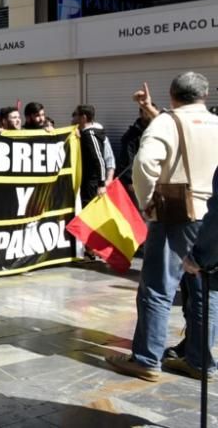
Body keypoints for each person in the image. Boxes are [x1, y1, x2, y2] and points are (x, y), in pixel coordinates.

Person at [106, 72, 218, 383]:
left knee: (157, 287)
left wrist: (147, 203)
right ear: (204, 96)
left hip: (176, 213)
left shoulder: (166, 123)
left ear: (172, 95)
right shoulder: (214, 122)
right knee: (205, 291)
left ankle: (146, 359)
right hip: (211, 216)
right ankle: (200, 361)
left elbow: (144, 164)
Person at [71, 105, 107, 206]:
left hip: (92, 183)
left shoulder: (90, 136)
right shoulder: (84, 134)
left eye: (76, 115)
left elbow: (99, 159)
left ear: (84, 118)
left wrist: (101, 184)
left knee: (90, 208)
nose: (74, 118)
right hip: (85, 180)